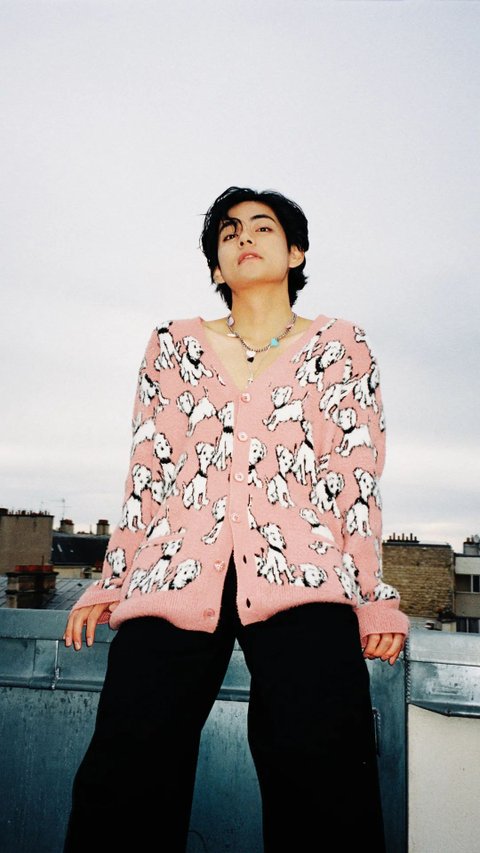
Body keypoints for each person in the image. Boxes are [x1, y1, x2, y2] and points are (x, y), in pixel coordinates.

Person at [63, 185, 409, 852]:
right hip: (172, 573)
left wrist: (372, 600)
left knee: (325, 771)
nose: (243, 236)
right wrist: (112, 582)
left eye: (261, 226)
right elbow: (149, 472)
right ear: (217, 267)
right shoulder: (172, 345)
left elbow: (355, 480)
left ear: (296, 251)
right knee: (125, 770)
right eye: (228, 232)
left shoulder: (342, 345)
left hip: (304, 576)